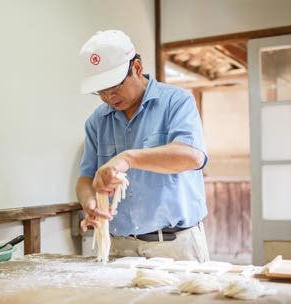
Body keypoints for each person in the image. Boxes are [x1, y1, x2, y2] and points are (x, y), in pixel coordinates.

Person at [76, 30, 210, 262]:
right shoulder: (97, 121)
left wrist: (127, 158)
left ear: (136, 68)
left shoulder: (176, 102)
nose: (108, 96)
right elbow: (86, 178)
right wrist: (90, 203)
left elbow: (192, 157)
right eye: (101, 91)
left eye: (114, 86)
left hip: (175, 245)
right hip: (118, 246)